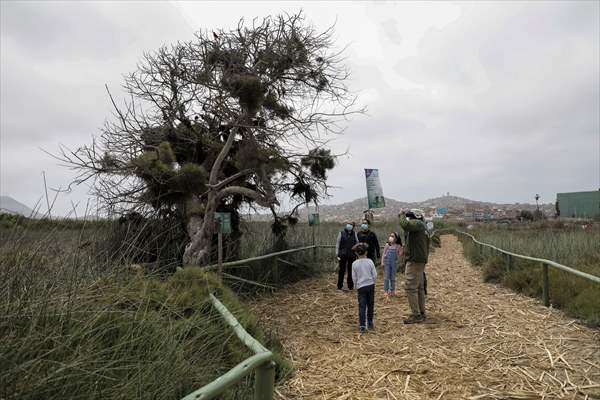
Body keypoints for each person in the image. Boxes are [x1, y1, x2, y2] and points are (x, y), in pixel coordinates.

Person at [398, 209, 430, 324]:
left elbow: (405, 225)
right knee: (419, 288)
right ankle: (421, 312)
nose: (409, 219)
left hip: (414, 261)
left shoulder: (418, 224)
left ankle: (416, 315)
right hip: (419, 261)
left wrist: (401, 214)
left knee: (411, 288)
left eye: (410, 217)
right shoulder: (423, 227)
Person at [351, 243, 377, 335]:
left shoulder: (354, 264)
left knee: (362, 306)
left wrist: (356, 285)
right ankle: (370, 322)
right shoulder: (370, 261)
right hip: (370, 285)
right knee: (370, 305)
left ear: (356, 253)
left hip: (361, 287)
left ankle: (362, 326)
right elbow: (374, 274)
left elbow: (354, 277)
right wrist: (373, 282)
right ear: (366, 252)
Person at [335, 221, 359, 290]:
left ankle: (350, 286)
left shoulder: (355, 234)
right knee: (341, 270)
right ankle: (339, 286)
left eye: (351, 225)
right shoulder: (341, 233)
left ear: (353, 226)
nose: (349, 226)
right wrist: (337, 253)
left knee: (351, 271)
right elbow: (337, 243)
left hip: (352, 255)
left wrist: (356, 252)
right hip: (342, 254)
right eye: (348, 224)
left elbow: (357, 243)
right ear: (346, 225)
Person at [381, 232, 403, 298]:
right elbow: (383, 254)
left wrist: (401, 250)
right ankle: (386, 291)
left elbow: (400, 255)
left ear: (396, 238)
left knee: (393, 277)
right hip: (387, 262)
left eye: (393, 236)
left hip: (394, 263)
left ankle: (392, 290)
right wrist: (382, 262)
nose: (391, 237)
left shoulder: (398, 246)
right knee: (386, 277)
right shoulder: (387, 245)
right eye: (390, 236)